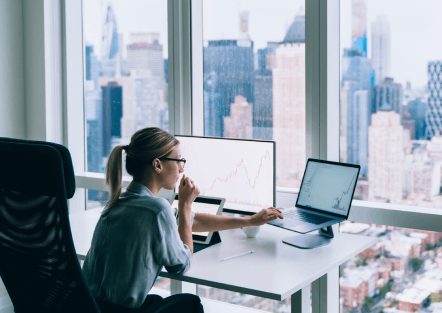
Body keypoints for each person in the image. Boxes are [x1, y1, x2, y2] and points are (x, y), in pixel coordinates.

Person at [82, 127, 283, 313]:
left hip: (92, 306)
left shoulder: (120, 201)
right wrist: (185, 204)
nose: (181, 168)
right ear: (157, 164)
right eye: (178, 160)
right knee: (192, 304)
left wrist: (248, 221)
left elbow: (190, 221)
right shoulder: (157, 210)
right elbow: (181, 265)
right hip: (122, 311)